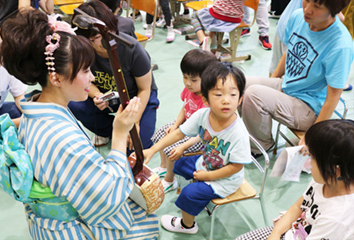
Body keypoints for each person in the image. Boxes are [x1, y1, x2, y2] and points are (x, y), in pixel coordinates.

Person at [0, 9, 159, 239]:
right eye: (85, 70)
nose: (92, 78)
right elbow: (107, 196)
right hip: (71, 229)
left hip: (46, 223)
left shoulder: (35, 107)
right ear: (56, 78)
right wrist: (119, 133)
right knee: (144, 221)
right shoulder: (61, 138)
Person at [142, 62, 252, 234]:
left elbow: (236, 167)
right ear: (205, 99)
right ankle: (193, 201)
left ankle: (188, 225)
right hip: (207, 162)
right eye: (218, 94)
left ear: (240, 99)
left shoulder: (238, 133)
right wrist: (153, 149)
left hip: (225, 181)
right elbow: (179, 134)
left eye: (232, 94)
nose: (226, 100)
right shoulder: (203, 115)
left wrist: (208, 176)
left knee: (188, 193)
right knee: (178, 163)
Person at [241, 0, 354, 155]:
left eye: (317, 7)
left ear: (334, 11)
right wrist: (272, 83)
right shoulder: (298, 16)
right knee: (239, 83)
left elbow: (333, 97)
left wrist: (313, 134)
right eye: (306, 1)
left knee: (254, 94)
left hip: (309, 107)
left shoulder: (340, 45)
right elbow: (289, 51)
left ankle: (261, 146)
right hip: (288, 88)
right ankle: (248, 134)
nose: (307, 9)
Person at [235, 119, 354, 240]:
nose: (308, 162)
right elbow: (298, 206)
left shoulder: (336, 219)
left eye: (312, 157)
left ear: (335, 169)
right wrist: (275, 235)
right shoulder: (326, 180)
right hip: (292, 230)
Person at [70, 0, 159, 149]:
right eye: (89, 39)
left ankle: (125, 130)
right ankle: (111, 131)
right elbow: (83, 80)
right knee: (74, 103)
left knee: (136, 148)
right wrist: (97, 95)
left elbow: (144, 89)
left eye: (97, 37)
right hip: (108, 97)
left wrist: (134, 122)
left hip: (137, 97)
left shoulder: (132, 49)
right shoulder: (83, 49)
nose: (94, 43)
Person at [149, 49, 217, 193]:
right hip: (186, 126)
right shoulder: (190, 90)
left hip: (198, 137)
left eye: (193, 80)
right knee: (163, 132)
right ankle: (163, 167)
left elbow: (204, 133)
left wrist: (182, 143)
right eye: (185, 77)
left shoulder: (207, 101)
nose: (187, 83)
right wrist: (175, 125)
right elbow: (184, 107)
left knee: (171, 149)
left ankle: (170, 180)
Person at [0, 22, 27, 127]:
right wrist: (18, 122)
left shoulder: (6, 64)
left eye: (1, 46)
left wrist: (31, 115)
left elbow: (19, 96)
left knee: (17, 111)